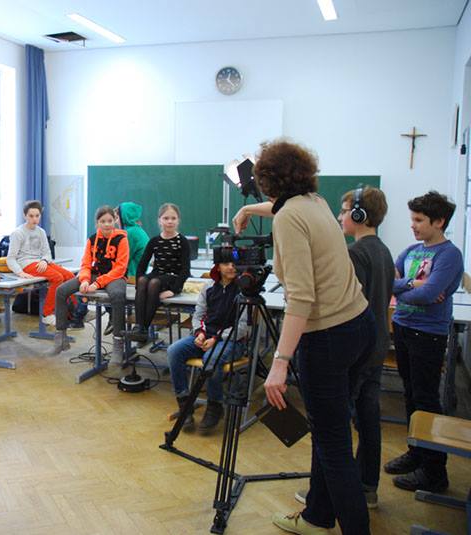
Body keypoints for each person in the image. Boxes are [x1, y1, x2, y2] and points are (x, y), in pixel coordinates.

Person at [233, 140, 374, 535]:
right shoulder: (316, 202)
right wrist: (248, 209)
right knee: (331, 431)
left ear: (267, 180)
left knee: (333, 446)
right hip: (360, 325)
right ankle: (317, 516)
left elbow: (301, 297)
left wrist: (279, 363)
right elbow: (282, 208)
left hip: (327, 337)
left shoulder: (289, 219)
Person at [294, 186, 395, 509]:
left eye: (344, 210)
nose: (339, 217)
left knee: (333, 426)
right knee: (368, 418)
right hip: (376, 347)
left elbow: (347, 305)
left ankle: (324, 496)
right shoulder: (384, 251)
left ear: (360, 215)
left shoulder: (355, 254)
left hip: (355, 351)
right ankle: (367, 487)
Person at [384, 191, 463, 493]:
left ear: (439, 221)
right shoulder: (411, 250)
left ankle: (434, 471)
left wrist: (406, 289)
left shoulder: (449, 255)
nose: (413, 225)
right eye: (412, 219)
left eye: (419, 220)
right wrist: (411, 285)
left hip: (428, 334)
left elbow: (429, 295)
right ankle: (416, 452)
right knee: (410, 395)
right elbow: (388, 282)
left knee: (426, 399)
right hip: (403, 327)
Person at [166, 261, 248, 432]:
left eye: (234, 264)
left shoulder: (243, 290)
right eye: (226, 264)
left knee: (211, 360)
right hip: (205, 336)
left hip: (231, 340)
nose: (231, 267)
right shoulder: (209, 287)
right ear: (218, 267)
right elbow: (198, 315)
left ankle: (215, 405)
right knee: (174, 351)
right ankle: (185, 404)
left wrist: (216, 339)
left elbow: (242, 327)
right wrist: (199, 333)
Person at [53, 205, 129, 361]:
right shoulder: (92, 239)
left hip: (115, 277)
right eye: (103, 221)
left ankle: (118, 344)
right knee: (61, 291)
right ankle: (61, 337)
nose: (107, 224)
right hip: (94, 275)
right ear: (97, 223)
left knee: (118, 295)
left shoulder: (122, 239)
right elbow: (86, 264)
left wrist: (97, 284)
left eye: (110, 221)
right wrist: (85, 280)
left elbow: (120, 268)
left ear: (115, 221)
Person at [6, 200, 75, 325]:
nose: (34, 219)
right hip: (26, 264)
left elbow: (47, 253)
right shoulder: (17, 233)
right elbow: (10, 258)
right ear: (25, 216)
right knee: (57, 278)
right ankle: (47, 313)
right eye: (31, 216)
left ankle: (75, 310)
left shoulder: (41, 232)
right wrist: (20, 272)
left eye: (37, 216)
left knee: (70, 276)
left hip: (40, 262)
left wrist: (44, 260)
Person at [130, 203, 191, 342]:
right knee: (143, 280)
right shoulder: (154, 241)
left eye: (173, 218)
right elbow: (142, 265)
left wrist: (174, 290)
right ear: (159, 220)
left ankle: (143, 329)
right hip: (158, 274)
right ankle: (139, 328)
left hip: (173, 278)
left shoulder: (182, 241)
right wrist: (139, 287)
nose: (170, 221)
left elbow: (185, 270)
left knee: (154, 282)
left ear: (178, 220)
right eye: (166, 218)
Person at [118, 202, 150, 278]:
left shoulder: (130, 233)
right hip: (140, 274)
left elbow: (122, 259)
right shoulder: (137, 230)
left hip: (132, 276)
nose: (116, 221)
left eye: (117, 218)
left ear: (124, 217)